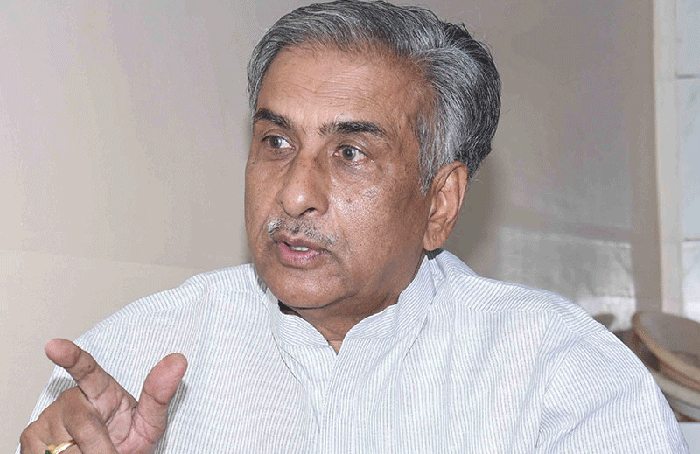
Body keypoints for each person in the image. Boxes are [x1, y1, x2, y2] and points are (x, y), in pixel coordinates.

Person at [18, 1, 688, 453]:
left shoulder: (563, 377)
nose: (295, 193)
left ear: (440, 203)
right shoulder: (133, 357)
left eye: (350, 153)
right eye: (276, 142)